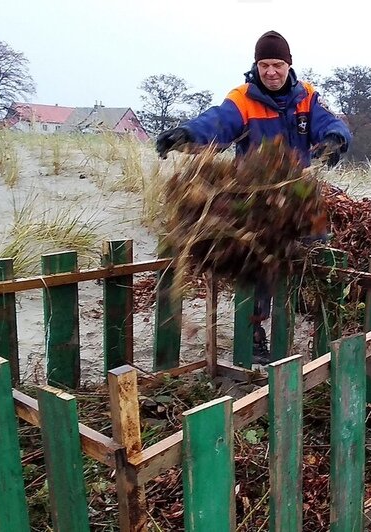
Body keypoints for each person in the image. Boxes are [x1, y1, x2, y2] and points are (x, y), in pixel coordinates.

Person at [155, 30, 352, 364]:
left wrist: (334, 139)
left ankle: (316, 324)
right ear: (256, 65)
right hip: (257, 197)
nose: (271, 71)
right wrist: (186, 134)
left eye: (277, 64)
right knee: (258, 267)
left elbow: (330, 124)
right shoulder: (243, 98)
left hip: (300, 194)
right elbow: (217, 122)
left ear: (289, 65)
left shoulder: (306, 97)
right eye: (264, 65)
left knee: (318, 252)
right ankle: (255, 338)